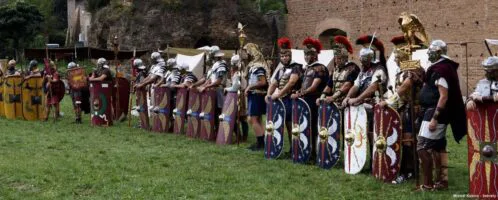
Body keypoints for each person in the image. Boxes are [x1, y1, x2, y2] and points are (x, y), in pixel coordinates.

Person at [417, 40, 466, 191]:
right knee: (438, 147)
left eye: (431, 51)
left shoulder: (442, 69)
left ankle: (427, 184)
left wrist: (434, 118)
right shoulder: (441, 67)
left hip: (435, 112)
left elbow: (443, 96)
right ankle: (441, 182)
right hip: (432, 110)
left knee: (423, 147)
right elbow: (432, 88)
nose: (428, 53)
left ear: (439, 52)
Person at [379, 36, 425, 184]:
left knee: (409, 141)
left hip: (415, 111)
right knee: (402, 140)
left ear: (404, 55)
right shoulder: (401, 71)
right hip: (403, 110)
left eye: (397, 56)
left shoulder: (415, 69)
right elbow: (399, 92)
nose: (394, 60)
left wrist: (389, 100)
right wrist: (390, 102)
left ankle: (410, 171)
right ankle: (404, 168)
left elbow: (406, 86)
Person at [291, 37, 328, 159]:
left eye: (309, 54)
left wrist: (300, 94)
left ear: (315, 55)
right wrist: (298, 91)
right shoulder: (307, 68)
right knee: (304, 126)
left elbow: (314, 87)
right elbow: (303, 85)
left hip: (314, 101)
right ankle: (305, 149)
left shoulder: (320, 68)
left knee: (313, 127)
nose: (307, 57)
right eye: (305, 55)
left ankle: (314, 153)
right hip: (305, 101)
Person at [266, 37, 303, 153]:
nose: (284, 58)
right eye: (282, 56)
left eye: (286, 56)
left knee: (293, 125)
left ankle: (297, 148)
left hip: (292, 98)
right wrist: (268, 94)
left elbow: (292, 82)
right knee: (286, 124)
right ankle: (292, 148)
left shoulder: (296, 67)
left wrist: (279, 94)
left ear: (290, 56)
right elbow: (274, 83)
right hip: (282, 100)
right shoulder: (281, 69)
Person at [318, 36, 359, 106]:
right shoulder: (335, 70)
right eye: (336, 58)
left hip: (346, 102)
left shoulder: (352, 68)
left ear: (345, 58)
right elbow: (329, 85)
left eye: (339, 58)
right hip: (334, 102)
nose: (337, 61)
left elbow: (347, 85)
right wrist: (322, 97)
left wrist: (333, 97)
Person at [241, 44, 268, 150]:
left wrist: (249, 86)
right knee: (257, 119)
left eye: (248, 52)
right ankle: (261, 142)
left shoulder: (259, 67)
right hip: (254, 94)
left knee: (253, 119)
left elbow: (262, 82)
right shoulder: (254, 66)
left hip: (257, 94)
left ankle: (260, 143)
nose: (247, 54)